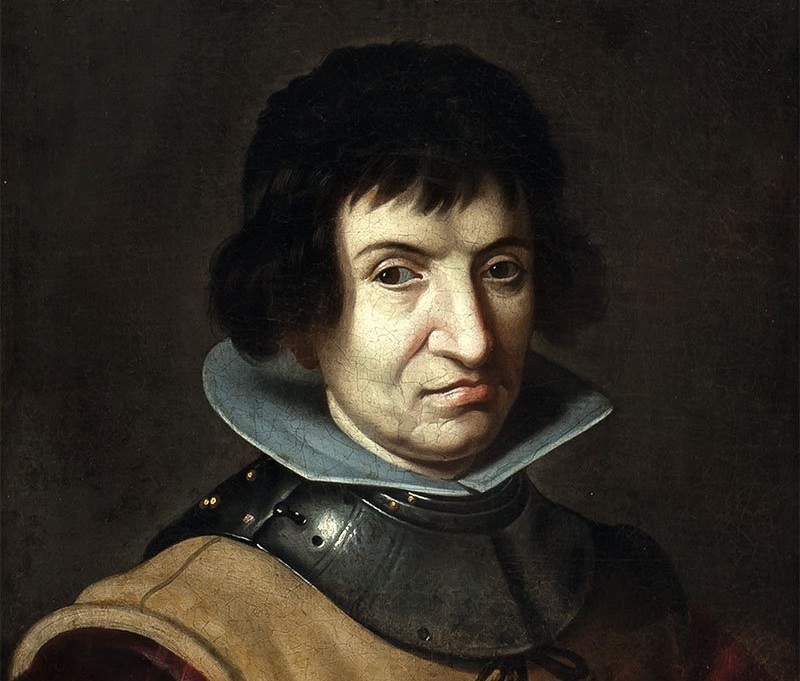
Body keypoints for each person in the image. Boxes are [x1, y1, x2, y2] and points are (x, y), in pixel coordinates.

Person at [10, 42, 768, 681]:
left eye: (502, 269)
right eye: (397, 273)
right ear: (302, 315)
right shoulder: (164, 645)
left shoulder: (641, 602)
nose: (473, 339)